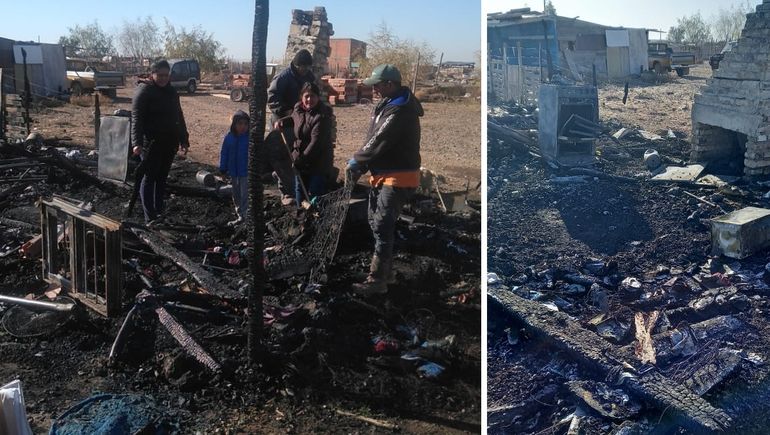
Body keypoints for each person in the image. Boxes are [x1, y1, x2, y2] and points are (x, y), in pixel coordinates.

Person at [346, 64, 423, 295]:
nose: (375, 89)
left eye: (378, 85)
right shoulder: (386, 104)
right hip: (383, 174)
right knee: (374, 220)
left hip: (399, 175)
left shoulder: (400, 110)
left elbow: (380, 139)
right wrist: (364, 161)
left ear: (390, 84)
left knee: (382, 223)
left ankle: (378, 280)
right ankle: (383, 271)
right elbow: (373, 138)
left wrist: (358, 161)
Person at [131, 59, 189, 224]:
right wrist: (137, 143)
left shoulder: (171, 92)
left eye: (166, 75)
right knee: (149, 178)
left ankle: (158, 211)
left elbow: (179, 116)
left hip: (169, 142)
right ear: (152, 74)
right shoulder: (144, 91)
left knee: (162, 178)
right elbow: (137, 119)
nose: (164, 78)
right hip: (151, 143)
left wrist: (184, 139)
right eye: (160, 75)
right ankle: (150, 216)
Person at [267, 49, 317, 206]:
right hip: (282, 121)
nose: (305, 70)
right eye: (303, 67)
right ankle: (286, 193)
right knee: (283, 156)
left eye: (308, 67)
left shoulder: (308, 76)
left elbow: (312, 93)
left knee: (296, 154)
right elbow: (272, 98)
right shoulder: (283, 77)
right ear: (296, 65)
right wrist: (287, 112)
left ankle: (288, 182)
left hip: (299, 121)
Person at [275, 82, 334, 205]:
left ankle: (317, 221)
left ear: (318, 97)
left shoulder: (322, 116)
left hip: (318, 162)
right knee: (300, 192)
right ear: (301, 97)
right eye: (306, 96)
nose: (309, 99)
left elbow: (316, 144)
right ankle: (301, 218)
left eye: (313, 96)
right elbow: (294, 119)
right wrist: (282, 122)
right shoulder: (298, 109)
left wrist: (300, 161)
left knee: (314, 195)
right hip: (301, 158)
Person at [219, 110, 250, 226]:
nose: (243, 127)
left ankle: (246, 216)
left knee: (245, 194)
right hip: (233, 172)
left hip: (245, 172)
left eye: (245, 124)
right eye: (240, 124)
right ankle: (240, 215)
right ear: (234, 125)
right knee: (236, 195)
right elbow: (224, 153)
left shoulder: (249, 139)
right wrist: (223, 168)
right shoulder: (229, 138)